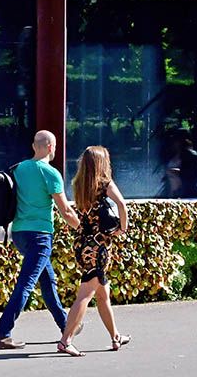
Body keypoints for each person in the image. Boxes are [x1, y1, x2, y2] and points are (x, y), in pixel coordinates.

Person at [0, 130, 77, 349]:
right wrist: (82, 228)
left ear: (33, 146)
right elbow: (65, 210)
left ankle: (67, 325)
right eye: (55, 146)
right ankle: (2, 333)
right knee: (26, 285)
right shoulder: (50, 173)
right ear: (50, 147)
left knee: (48, 282)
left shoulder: (18, 168)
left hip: (19, 233)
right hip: (40, 235)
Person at [57, 146, 131, 356]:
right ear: (102, 163)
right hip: (99, 248)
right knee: (86, 294)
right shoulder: (105, 184)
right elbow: (122, 205)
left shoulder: (79, 184)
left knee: (102, 294)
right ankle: (66, 340)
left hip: (83, 243)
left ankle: (115, 336)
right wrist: (122, 229)